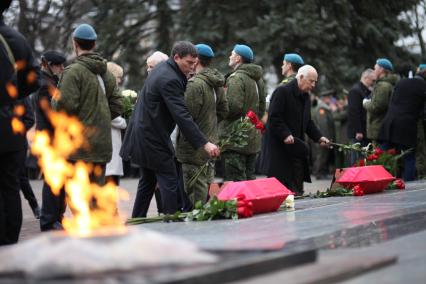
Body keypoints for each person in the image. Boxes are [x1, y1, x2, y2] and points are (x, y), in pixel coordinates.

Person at [127, 41, 220, 218]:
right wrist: (205, 143)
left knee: (147, 181)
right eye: (189, 63)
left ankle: (137, 217)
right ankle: (172, 219)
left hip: (144, 133)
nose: (192, 68)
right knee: (169, 178)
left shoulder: (164, 70)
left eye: (194, 63)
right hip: (152, 136)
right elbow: (182, 115)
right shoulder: (170, 78)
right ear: (176, 57)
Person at [50, 23, 123, 229]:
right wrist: (100, 118)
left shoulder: (73, 72)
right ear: (94, 44)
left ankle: (90, 235)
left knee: (78, 197)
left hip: (79, 147)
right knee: (96, 194)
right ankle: (101, 234)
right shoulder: (106, 72)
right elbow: (117, 104)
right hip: (102, 144)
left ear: (75, 44)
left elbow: (65, 106)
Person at [0, 0, 41, 245]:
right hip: (11, 127)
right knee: (10, 186)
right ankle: (9, 246)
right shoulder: (15, 39)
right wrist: (13, 95)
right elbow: (33, 80)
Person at [176, 43, 228, 205]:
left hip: (194, 147)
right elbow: (224, 110)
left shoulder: (195, 84)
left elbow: (187, 117)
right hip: (211, 141)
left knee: (195, 195)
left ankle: (200, 227)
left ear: (196, 60)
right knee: (205, 188)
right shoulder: (215, 83)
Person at [267, 65, 329, 196]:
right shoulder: (282, 91)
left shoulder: (305, 96)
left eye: (315, 82)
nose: (313, 85)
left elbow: (307, 122)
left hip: (296, 148)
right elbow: (274, 117)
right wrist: (285, 133)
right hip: (282, 149)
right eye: (311, 81)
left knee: (297, 188)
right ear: (300, 77)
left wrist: (319, 137)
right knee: (282, 190)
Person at [221, 44, 266, 181]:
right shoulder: (258, 79)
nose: (230, 56)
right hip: (252, 137)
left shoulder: (236, 78)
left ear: (238, 59)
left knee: (237, 182)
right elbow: (262, 107)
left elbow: (233, 106)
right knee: (250, 179)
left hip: (235, 139)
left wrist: (219, 112)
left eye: (232, 54)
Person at [35, 50, 68, 231]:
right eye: (58, 65)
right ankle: (48, 221)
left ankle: (57, 217)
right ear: (47, 64)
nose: (61, 68)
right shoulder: (42, 84)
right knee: (52, 180)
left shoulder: (52, 81)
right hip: (49, 138)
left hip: (56, 137)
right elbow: (50, 113)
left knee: (59, 179)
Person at [257, 52, 304, 174]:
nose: (282, 67)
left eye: (283, 64)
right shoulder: (300, 84)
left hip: (282, 135)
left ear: (289, 66)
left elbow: (274, 111)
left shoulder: (286, 85)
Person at [378, 65, 426, 181]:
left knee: (382, 156)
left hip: (389, 123)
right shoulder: (423, 87)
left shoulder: (401, 82)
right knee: (409, 157)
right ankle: (408, 186)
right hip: (406, 126)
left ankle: (380, 180)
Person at [363, 58, 398, 145]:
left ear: (381, 70)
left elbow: (377, 107)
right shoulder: (384, 84)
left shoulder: (383, 86)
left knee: (380, 157)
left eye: (375, 68)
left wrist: (365, 103)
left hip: (379, 129)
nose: (374, 71)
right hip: (381, 129)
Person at [347, 68, 375, 164]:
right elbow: (354, 112)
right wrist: (358, 131)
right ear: (366, 78)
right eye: (372, 80)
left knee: (363, 158)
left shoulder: (364, 90)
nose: (373, 82)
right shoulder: (356, 91)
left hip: (363, 130)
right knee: (357, 159)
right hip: (358, 132)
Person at [105, 62, 127, 186]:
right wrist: (126, 122)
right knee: (110, 175)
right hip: (109, 136)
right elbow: (112, 116)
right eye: (118, 77)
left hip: (111, 136)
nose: (120, 80)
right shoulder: (108, 92)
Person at [312, 90, 336, 179]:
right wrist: (325, 138)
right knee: (321, 155)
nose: (330, 99)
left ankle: (322, 172)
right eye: (328, 98)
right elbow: (323, 125)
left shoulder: (325, 108)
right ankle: (318, 173)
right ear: (324, 98)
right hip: (323, 137)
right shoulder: (321, 109)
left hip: (325, 136)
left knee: (324, 155)